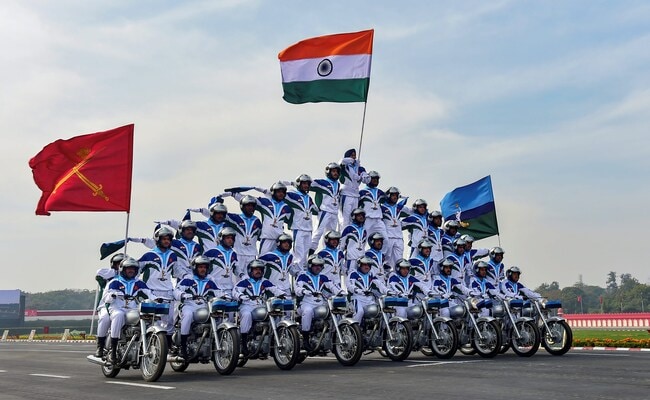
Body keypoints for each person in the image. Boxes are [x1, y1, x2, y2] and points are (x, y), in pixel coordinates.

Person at [219, 183, 293, 255]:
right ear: (273, 192)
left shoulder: (287, 207)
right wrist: (233, 194)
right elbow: (247, 200)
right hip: (267, 238)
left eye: (283, 192)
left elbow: (291, 221)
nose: (281, 194)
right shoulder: (265, 202)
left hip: (279, 239)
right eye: (278, 191)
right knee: (263, 261)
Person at [104, 257, 152, 364]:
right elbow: (106, 298)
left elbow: (149, 293)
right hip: (117, 308)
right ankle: (113, 351)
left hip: (132, 309)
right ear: (123, 269)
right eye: (129, 268)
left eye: (133, 269)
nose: (131, 271)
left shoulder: (138, 282)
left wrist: (156, 299)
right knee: (119, 315)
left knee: (146, 316)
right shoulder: (114, 282)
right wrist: (114, 295)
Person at [233, 259, 286, 356]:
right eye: (255, 269)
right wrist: (241, 296)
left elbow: (275, 289)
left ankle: (273, 340)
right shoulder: (245, 282)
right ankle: (244, 342)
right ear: (250, 270)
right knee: (246, 314)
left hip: (261, 306)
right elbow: (235, 291)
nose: (258, 271)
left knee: (275, 314)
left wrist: (283, 294)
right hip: (247, 305)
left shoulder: (265, 281)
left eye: (260, 269)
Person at [138, 226, 182, 342]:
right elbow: (135, 272)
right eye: (164, 239)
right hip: (151, 292)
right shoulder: (148, 255)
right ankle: (145, 345)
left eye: (168, 239)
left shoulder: (173, 255)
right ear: (157, 240)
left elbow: (178, 273)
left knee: (169, 322)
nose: (167, 241)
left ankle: (167, 348)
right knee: (151, 321)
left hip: (168, 292)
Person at [173, 255, 221, 360]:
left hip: (204, 306)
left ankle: (212, 343)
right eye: (200, 267)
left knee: (218, 315)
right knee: (188, 314)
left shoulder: (210, 280)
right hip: (189, 305)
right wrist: (183, 295)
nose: (203, 269)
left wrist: (224, 297)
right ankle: (183, 346)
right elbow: (176, 290)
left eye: (204, 267)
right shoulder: (188, 279)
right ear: (195, 268)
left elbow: (219, 292)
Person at [294, 255, 343, 349]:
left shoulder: (323, 277)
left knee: (334, 311)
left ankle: (332, 336)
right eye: (315, 265)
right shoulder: (303, 275)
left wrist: (340, 292)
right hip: (305, 304)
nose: (318, 267)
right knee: (308, 311)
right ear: (310, 265)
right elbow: (297, 288)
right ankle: (305, 339)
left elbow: (332, 286)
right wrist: (304, 291)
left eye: (320, 266)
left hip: (320, 304)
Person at [283, 174, 319, 269]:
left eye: (308, 184)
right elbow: (278, 188)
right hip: (298, 228)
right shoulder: (293, 195)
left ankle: (302, 273)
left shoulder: (309, 198)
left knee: (305, 255)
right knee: (298, 255)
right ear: (299, 184)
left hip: (308, 229)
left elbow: (316, 210)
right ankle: (296, 277)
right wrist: (291, 183)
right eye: (304, 183)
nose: (306, 186)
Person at [94, 253, 124, 358]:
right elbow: (99, 273)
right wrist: (118, 271)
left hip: (124, 306)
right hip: (106, 305)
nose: (121, 266)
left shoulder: (132, 278)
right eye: (119, 264)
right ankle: (100, 347)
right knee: (105, 319)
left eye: (124, 264)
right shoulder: (109, 276)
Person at [310, 162, 342, 252]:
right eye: (333, 171)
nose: (335, 173)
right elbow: (306, 184)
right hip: (325, 211)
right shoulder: (322, 183)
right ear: (328, 172)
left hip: (334, 213)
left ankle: (326, 254)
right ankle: (309, 254)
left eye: (337, 171)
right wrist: (291, 183)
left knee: (330, 235)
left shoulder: (338, 184)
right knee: (318, 233)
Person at [347, 256, 389, 323]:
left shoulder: (371, 275)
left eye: (369, 265)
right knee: (360, 312)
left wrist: (388, 291)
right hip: (356, 298)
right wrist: (357, 290)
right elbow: (350, 286)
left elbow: (380, 284)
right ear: (359, 265)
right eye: (364, 265)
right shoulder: (353, 274)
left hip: (369, 299)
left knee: (381, 311)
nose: (367, 267)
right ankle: (355, 330)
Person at [339, 148, 370, 227]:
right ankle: (343, 236)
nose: (354, 157)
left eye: (354, 156)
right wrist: (350, 161)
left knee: (353, 218)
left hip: (355, 195)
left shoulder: (359, 168)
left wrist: (361, 177)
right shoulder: (345, 166)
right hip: (346, 194)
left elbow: (367, 180)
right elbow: (340, 162)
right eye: (351, 155)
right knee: (344, 219)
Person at [381, 186, 410, 267]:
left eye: (396, 195)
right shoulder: (382, 207)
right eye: (393, 195)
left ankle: (396, 278)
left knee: (399, 261)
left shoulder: (400, 207)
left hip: (399, 238)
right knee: (386, 260)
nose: (395, 197)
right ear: (388, 195)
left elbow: (412, 212)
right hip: (388, 237)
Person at [204, 227, 240, 291]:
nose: (230, 240)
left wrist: (242, 275)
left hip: (229, 288)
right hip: (214, 288)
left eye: (232, 238)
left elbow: (236, 268)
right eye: (227, 238)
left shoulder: (234, 253)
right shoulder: (211, 252)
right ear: (221, 238)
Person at [358, 171, 387, 240]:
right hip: (367, 219)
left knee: (385, 239)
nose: (375, 180)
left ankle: (382, 251)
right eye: (373, 178)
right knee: (363, 239)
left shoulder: (380, 192)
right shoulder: (362, 192)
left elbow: (388, 201)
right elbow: (356, 206)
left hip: (378, 220)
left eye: (377, 179)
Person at [340, 207, 368, 276]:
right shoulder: (348, 228)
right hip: (351, 259)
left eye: (362, 215)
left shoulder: (364, 230)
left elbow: (364, 245)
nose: (361, 217)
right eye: (359, 215)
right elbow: (341, 246)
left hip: (362, 260)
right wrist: (341, 263)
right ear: (353, 217)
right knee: (349, 279)